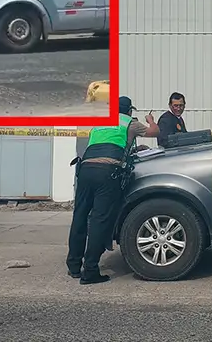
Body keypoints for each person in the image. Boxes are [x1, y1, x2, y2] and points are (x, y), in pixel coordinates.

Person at [66, 96, 158, 285]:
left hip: (85, 170)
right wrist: (150, 121)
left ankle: (74, 265)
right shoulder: (129, 123)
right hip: (107, 173)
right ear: (129, 111)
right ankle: (90, 270)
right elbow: (155, 132)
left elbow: (104, 146)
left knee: (80, 216)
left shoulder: (99, 124)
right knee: (100, 219)